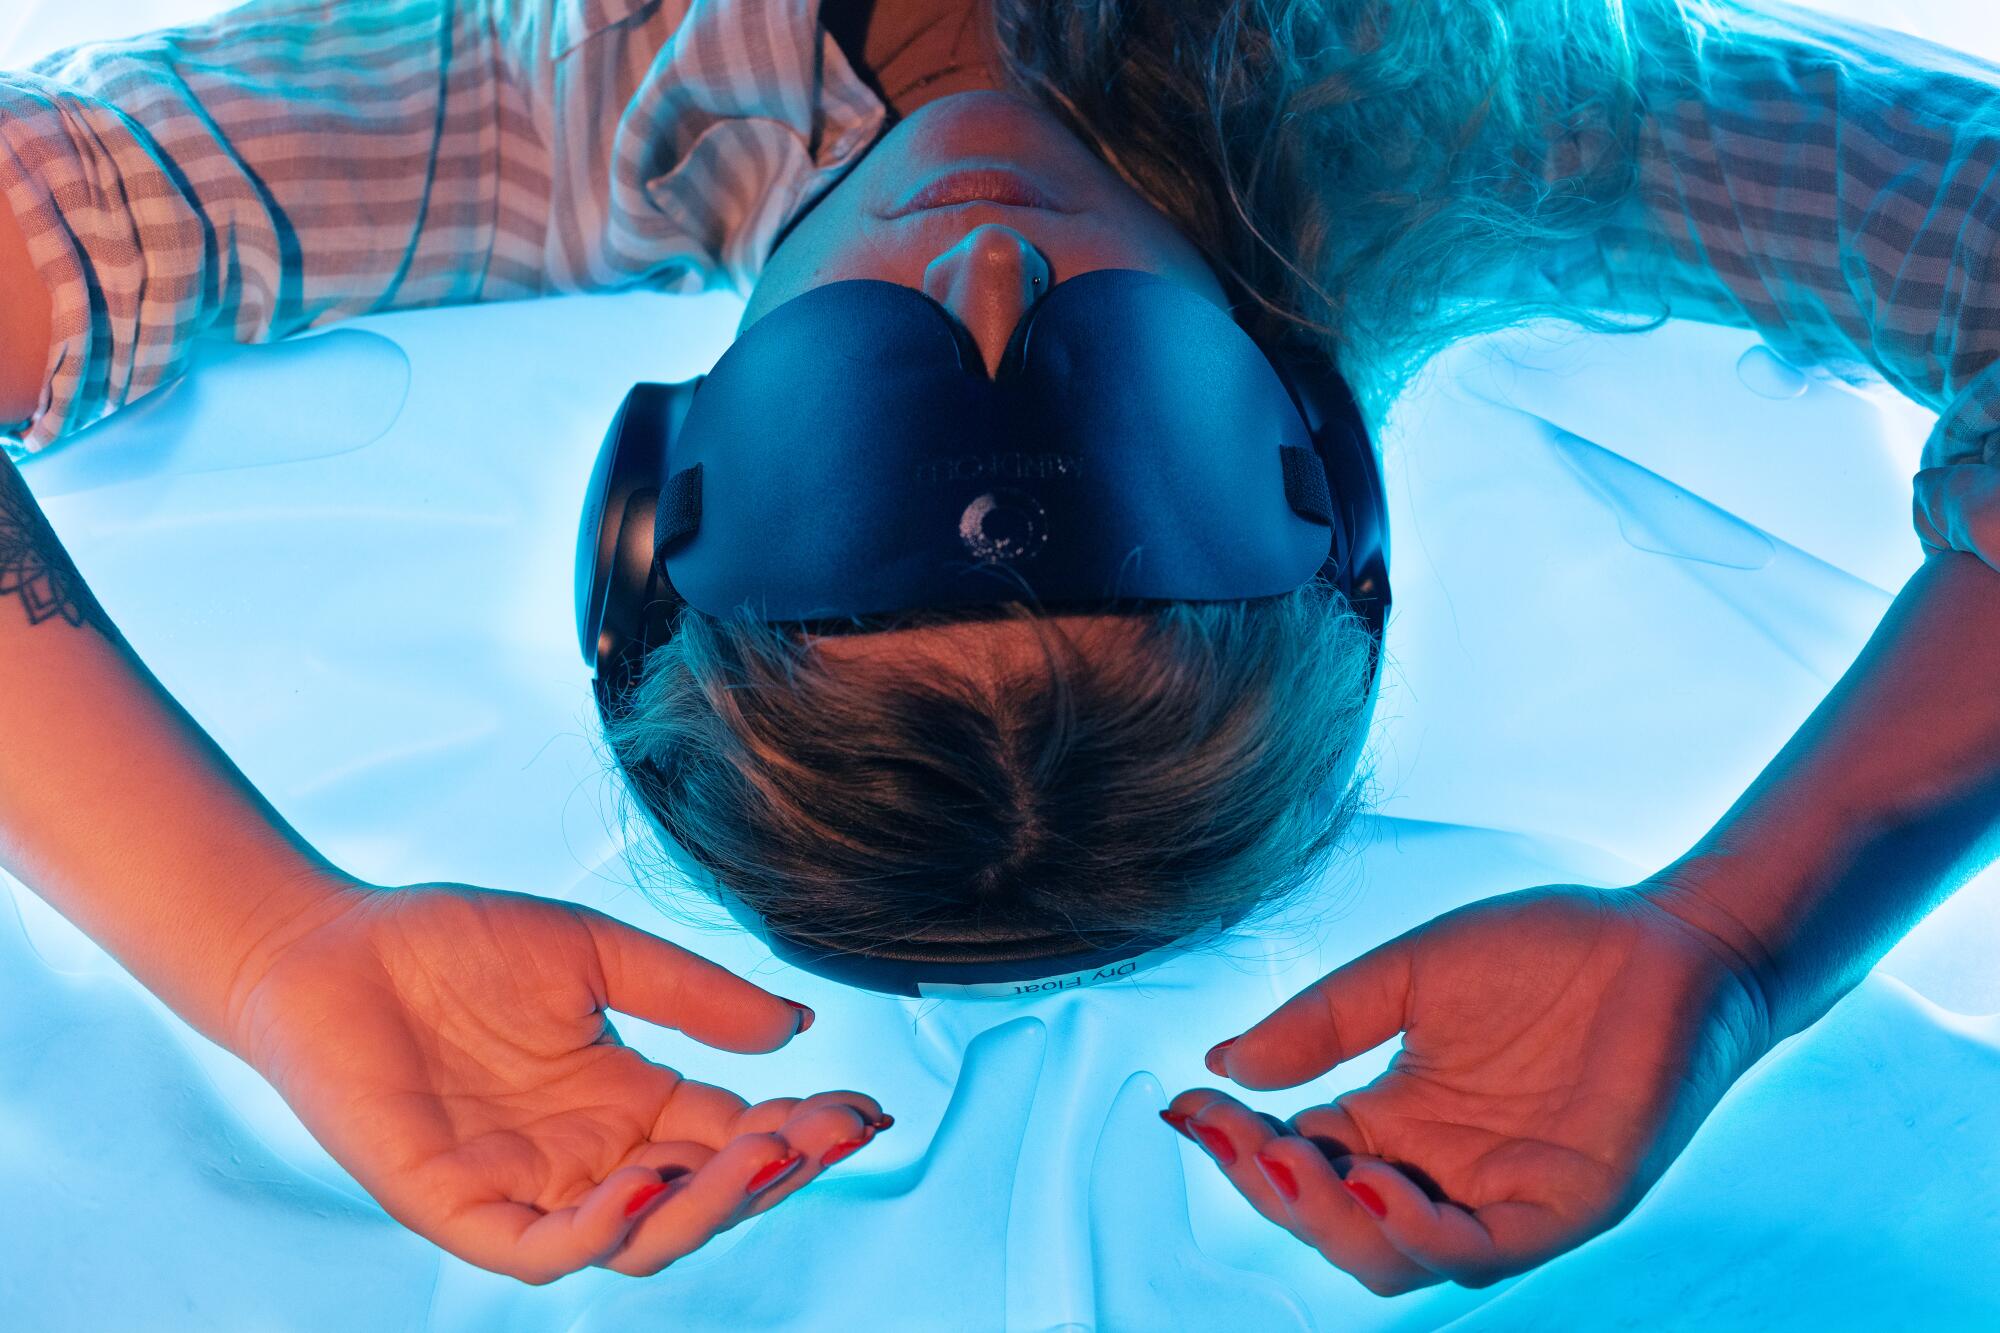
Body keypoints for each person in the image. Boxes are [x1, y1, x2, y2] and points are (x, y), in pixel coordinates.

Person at [0, 0, 1995, 1296]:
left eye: (852, 430)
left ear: (665, 496)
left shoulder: (567, 110)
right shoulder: (1508, 122)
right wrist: (1737, 943)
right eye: (1111, 404)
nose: (977, 261)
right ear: (1304, 457)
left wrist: (264, 950)